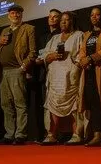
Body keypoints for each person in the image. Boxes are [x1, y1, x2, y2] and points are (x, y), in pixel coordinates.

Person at [0, 4, 36, 145]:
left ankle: (20, 135)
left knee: (19, 103)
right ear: (8, 15)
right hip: (2, 72)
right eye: (12, 13)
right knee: (6, 104)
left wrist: (23, 67)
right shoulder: (4, 31)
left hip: (17, 70)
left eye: (18, 13)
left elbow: (33, 52)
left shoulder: (28, 29)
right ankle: (9, 135)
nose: (15, 15)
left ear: (21, 15)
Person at [41, 12, 84, 145]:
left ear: (72, 21)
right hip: (55, 77)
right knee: (53, 104)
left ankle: (76, 134)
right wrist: (53, 56)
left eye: (67, 20)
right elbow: (44, 56)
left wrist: (75, 65)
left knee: (74, 105)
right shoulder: (54, 38)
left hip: (71, 76)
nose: (63, 22)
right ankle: (51, 134)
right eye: (61, 20)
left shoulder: (79, 35)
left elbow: (82, 54)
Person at [77, 7, 101, 147]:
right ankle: (97, 134)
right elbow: (82, 51)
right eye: (92, 15)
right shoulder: (87, 34)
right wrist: (83, 60)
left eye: (97, 14)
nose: (94, 17)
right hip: (89, 72)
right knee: (93, 102)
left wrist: (90, 59)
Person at [33, 8, 62, 140]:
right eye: (50, 16)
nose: (52, 18)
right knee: (45, 104)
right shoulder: (42, 37)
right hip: (42, 74)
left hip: (58, 74)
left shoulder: (61, 35)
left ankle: (58, 133)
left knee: (57, 103)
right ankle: (47, 132)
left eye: (55, 17)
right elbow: (38, 55)